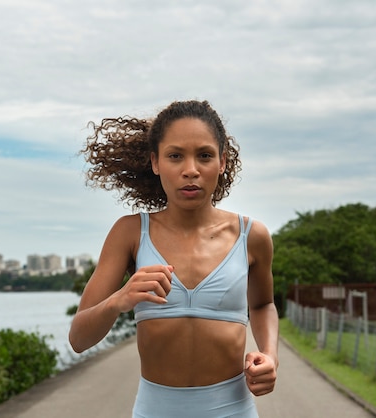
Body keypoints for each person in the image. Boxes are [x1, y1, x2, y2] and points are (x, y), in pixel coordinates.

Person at [69, 100, 279, 417]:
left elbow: (262, 305)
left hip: (233, 410)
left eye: (204, 155)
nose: (190, 170)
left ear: (222, 162)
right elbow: (79, 338)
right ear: (155, 162)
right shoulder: (130, 233)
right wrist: (119, 299)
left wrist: (270, 355)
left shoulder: (252, 236)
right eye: (175, 156)